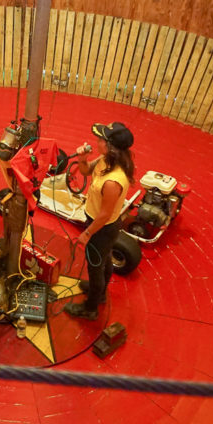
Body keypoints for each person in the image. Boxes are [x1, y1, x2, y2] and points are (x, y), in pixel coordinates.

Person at [63, 122, 135, 321]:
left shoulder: (113, 181)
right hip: (99, 223)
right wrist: (82, 159)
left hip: (102, 227)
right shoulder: (106, 160)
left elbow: (104, 214)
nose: (97, 141)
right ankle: (100, 292)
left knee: (95, 266)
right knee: (103, 259)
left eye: (101, 139)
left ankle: (91, 307)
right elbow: (86, 172)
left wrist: (87, 234)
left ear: (110, 146)